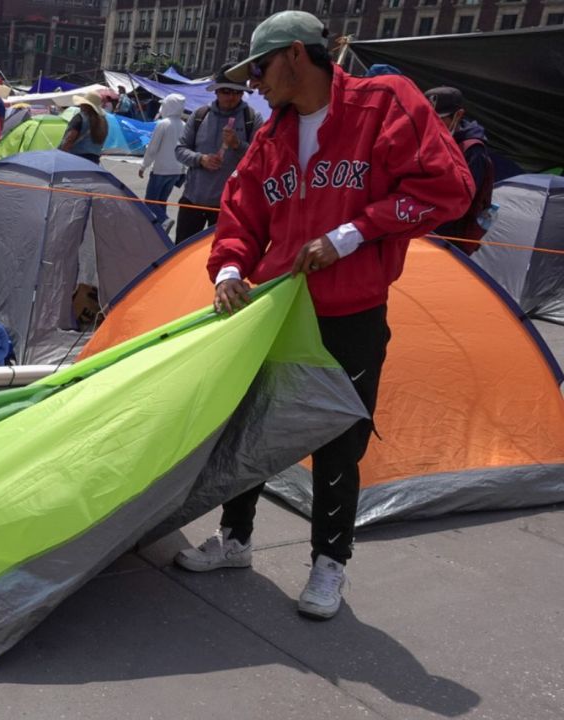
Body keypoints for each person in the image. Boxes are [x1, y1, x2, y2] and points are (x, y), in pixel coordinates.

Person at [179, 11, 473, 620]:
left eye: (258, 69)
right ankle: (235, 539)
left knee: (340, 439)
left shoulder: (384, 104)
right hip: (277, 310)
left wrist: (353, 234)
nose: (254, 83)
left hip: (351, 309)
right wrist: (230, 269)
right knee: (251, 425)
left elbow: (448, 189)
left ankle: (329, 563)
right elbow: (242, 216)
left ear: (293, 56)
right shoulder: (271, 136)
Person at [173, 65, 261, 244]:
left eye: (237, 92)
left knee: (220, 255)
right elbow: (180, 150)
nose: (231, 97)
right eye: (226, 91)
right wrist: (201, 159)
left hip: (229, 206)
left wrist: (238, 145)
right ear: (217, 91)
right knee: (182, 253)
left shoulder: (252, 118)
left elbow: (260, 159)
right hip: (193, 200)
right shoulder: (200, 115)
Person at [424, 86, 494, 254]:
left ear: (459, 115)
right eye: (427, 118)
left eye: (440, 119)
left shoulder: (473, 151)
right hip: (420, 229)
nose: (433, 124)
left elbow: (460, 201)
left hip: (448, 240)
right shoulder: (427, 140)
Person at [138, 93, 186, 230]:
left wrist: (143, 165)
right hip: (176, 170)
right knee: (161, 200)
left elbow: (153, 148)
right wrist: (183, 170)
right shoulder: (184, 124)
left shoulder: (163, 124)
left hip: (161, 169)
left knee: (150, 200)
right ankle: (161, 226)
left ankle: (164, 220)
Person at [60, 90, 109, 165]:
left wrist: (61, 156)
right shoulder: (103, 121)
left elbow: (69, 139)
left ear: (85, 104)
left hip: (76, 159)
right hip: (94, 161)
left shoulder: (80, 118)